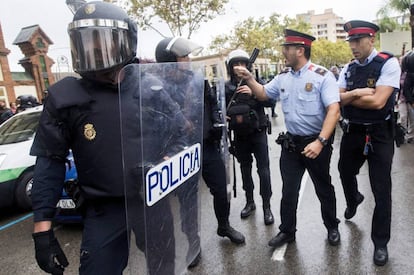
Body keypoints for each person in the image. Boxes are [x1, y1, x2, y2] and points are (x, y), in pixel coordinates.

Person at [30, 2, 186, 274]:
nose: (95, 51)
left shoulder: (150, 87)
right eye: (87, 44)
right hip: (104, 210)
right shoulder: (66, 97)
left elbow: (180, 133)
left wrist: (164, 160)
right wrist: (42, 230)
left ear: (127, 42)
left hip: (151, 201)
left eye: (103, 42)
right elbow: (49, 162)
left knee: (164, 268)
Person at [233, 29, 341, 248]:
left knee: (323, 188)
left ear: (300, 50)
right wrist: (250, 79)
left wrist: (320, 142)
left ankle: (332, 226)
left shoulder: (321, 76)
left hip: (316, 143)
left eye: (287, 48)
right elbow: (263, 94)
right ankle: (287, 232)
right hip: (291, 144)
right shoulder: (283, 77)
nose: (283, 51)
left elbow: (334, 110)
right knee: (289, 190)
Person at [155, 37, 246, 266]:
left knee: (221, 190)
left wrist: (217, 120)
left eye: (187, 56)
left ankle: (223, 225)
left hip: (206, 146)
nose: (188, 60)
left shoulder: (198, 80)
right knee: (188, 200)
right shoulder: (158, 87)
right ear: (169, 60)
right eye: (183, 56)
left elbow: (212, 104)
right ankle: (193, 243)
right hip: (181, 151)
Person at [337, 20, 401, 266]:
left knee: (381, 190)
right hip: (353, 132)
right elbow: (336, 98)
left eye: (357, 41)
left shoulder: (388, 63)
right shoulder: (349, 68)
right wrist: (356, 94)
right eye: (350, 41)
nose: (353, 46)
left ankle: (381, 243)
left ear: (371, 39)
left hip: (380, 134)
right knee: (344, 172)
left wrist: (347, 98)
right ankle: (354, 199)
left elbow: (378, 103)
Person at [225, 49, 274, 225]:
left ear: (248, 65)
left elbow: (271, 101)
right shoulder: (227, 87)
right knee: (245, 170)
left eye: (243, 63)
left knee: (264, 171)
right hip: (240, 136)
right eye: (235, 64)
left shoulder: (257, 82)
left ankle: (267, 207)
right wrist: (223, 115)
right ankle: (250, 202)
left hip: (258, 132)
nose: (239, 67)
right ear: (230, 67)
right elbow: (219, 108)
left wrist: (254, 91)